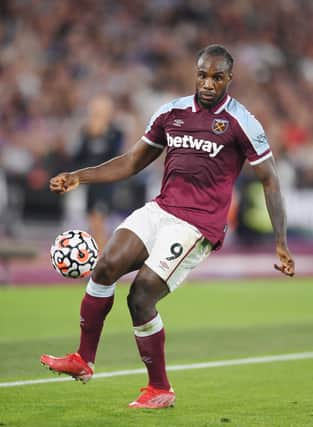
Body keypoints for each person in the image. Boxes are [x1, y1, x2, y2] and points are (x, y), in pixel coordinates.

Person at [41, 45, 295, 409]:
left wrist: (280, 242)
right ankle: (83, 359)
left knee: (141, 295)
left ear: (229, 79)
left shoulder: (242, 122)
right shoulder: (171, 112)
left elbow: (270, 180)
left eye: (217, 77)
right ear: (195, 73)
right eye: (202, 75)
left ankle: (159, 388)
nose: (208, 83)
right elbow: (132, 162)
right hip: (160, 210)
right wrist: (79, 177)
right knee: (105, 267)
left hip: (197, 226)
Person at [74, 95, 124, 251]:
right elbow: (79, 156)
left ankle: (102, 252)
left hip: (106, 181)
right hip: (90, 182)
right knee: (92, 218)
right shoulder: (86, 131)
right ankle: (99, 250)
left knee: (99, 217)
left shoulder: (115, 132)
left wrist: (101, 133)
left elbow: (116, 155)